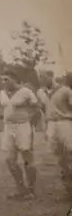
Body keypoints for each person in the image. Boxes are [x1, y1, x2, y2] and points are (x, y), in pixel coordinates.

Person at [0, 70, 40, 200]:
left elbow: (37, 108)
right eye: (2, 80)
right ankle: (21, 189)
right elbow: (4, 108)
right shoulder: (2, 93)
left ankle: (31, 190)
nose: (4, 82)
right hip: (8, 127)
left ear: (14, 79)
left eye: (6, 79)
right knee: (10, 160)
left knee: (27, 158)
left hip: (23, 126)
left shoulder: (26, 92)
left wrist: (30, 124)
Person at [37, 69, 72, 198]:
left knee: (69, 153)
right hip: (51, 125)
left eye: (43, 76)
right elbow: (44, 111)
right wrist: (46, 129)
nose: (41, 79)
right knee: (60, 157)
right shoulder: (40, 92)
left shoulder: (65, 90)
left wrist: (65, 115)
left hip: (65, 123)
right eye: (39, 77)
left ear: (51, 76)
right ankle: (69, 190)